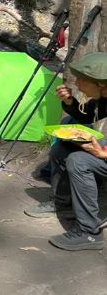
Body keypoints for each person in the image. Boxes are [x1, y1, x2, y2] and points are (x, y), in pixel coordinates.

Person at [25, 53, 107, 251]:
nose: (76, 83)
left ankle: (90, 233)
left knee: (79, 161)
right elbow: (86, 116)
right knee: (62, 146)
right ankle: (63, 203)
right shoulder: (103, 97)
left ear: (101, 84)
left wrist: (104, 154)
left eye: (82, 80)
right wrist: (70, 102)